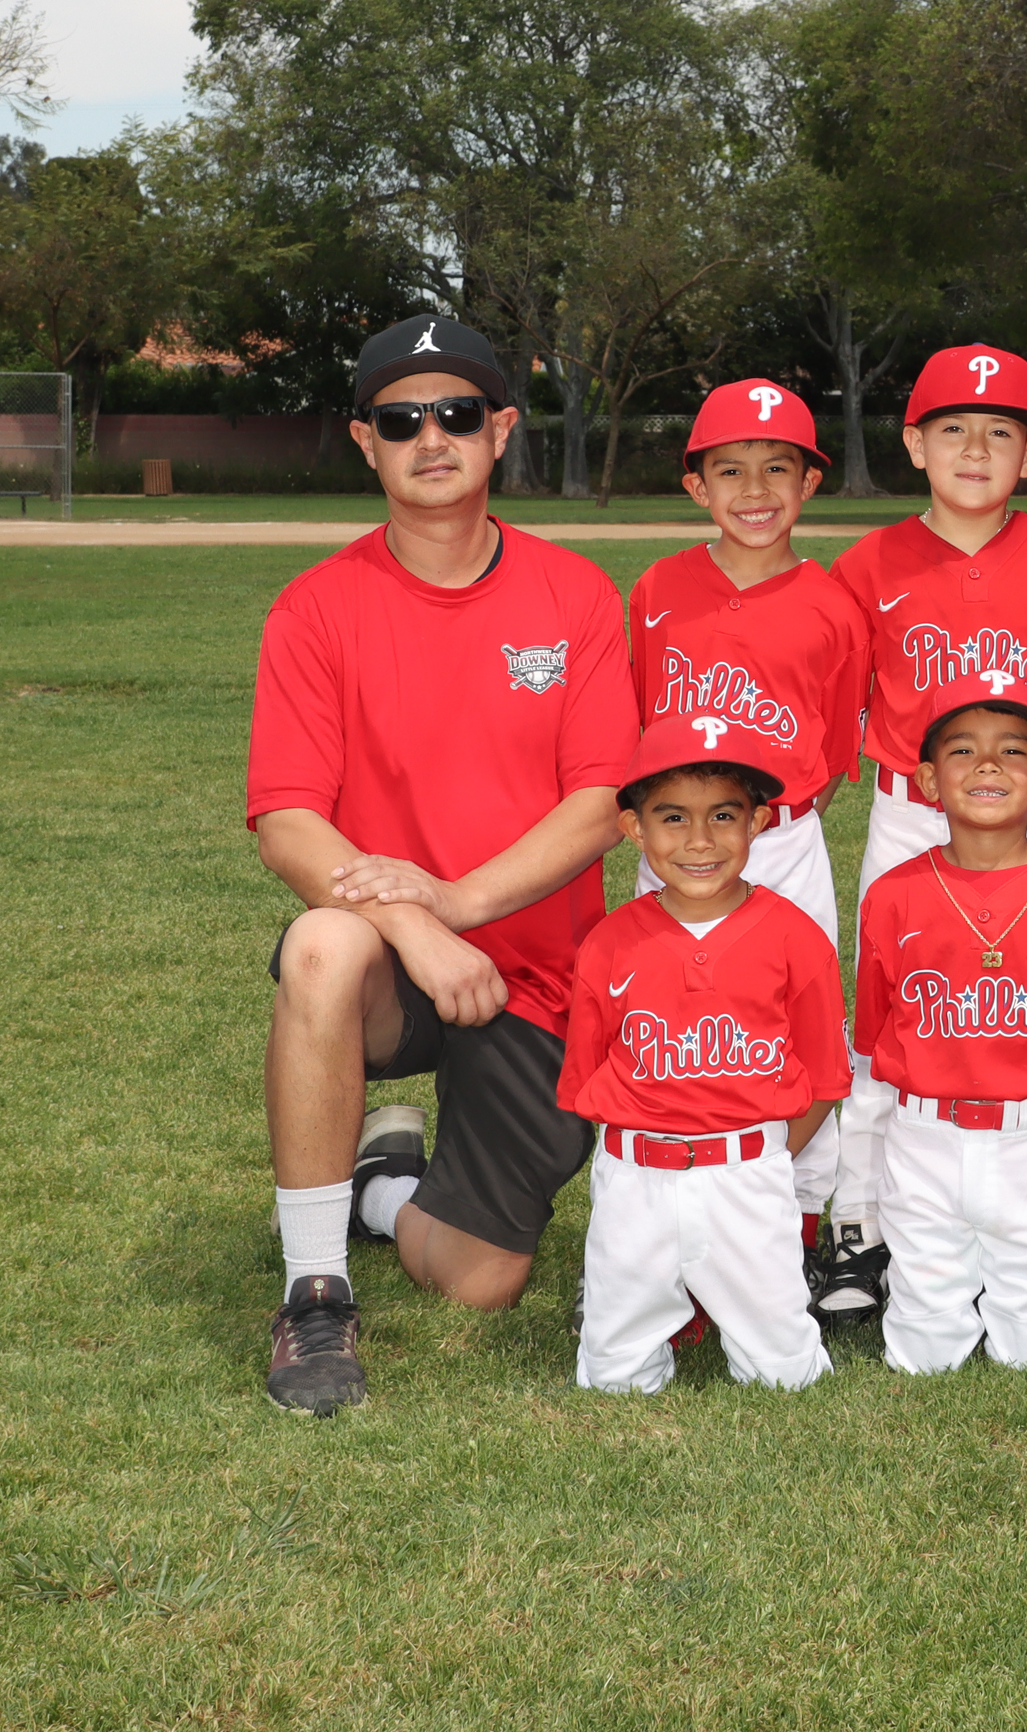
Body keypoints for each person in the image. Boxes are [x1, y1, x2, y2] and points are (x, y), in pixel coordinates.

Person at [248, 312, 637, 1414]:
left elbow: (600, 804)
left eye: (458, 414)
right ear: (364, 442)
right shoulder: (316, 608)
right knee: (321, 947)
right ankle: (313, 1291)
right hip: (393, 961)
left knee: (480, 1279)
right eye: (401, 419)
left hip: (534, 973)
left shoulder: (573, 595)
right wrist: (418, 928)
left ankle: (382, 1188)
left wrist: (459, 902)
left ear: (500, 430)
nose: (432, 437)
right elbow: (288, 820)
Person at [816, 345, 1027, 1330]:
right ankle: (859, 1221)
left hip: (1024, 814)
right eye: (952, 429)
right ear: (913, 444)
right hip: (908, 813)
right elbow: (844, 692)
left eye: (999, 431)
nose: (975, 448)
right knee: (888, 1019)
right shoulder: (868, 565)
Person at [628, 377, 866, 1267]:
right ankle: (667, 1219)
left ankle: (791, 1230)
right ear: (697, 485)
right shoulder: (658, 589)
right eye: (731, 470)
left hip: (783, 842)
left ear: (811, 483)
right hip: (673, 846)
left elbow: (833, 753)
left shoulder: (833, 606)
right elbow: (639, 723)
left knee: (796, 1027)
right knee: (671, 1019)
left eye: (778, 468)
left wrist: (778, 824)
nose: (756, 490)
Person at [559, 719, 847, 1395]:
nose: (699, 840)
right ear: (634, 829)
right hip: (635, 1178)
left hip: (747, 1174)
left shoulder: (796, 938)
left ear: (758, 822)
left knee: (785, 1376)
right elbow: (589, 1076)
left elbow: (825, 1080)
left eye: (723, 815)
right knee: (614, 1379)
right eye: (672, 817)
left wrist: (763, 1153)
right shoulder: (609, 944)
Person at [853, 670, 1027, 1378]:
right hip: (924, 1134)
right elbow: (878, 1032)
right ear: (928, 781)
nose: (988, 766)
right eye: (963, 750)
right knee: (921, 1323)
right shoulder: (892, 896)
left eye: (1012, 750)